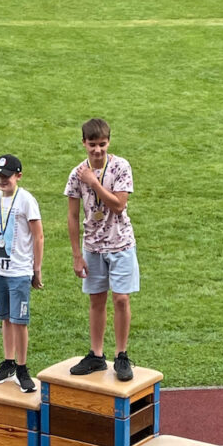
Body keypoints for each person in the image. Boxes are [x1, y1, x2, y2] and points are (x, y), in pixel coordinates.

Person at [64, 117, 138, 382]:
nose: (97, 150)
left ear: (109, 142)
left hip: (121, 244)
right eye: (92, 144)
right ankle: (96, 355)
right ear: (83, 143)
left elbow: (119, 205)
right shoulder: (76, 174)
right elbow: (73, 216)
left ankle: (121, 355)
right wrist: (77, 255)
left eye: (102, 144)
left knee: (121, 299)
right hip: (93, 247)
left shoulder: (120, 167)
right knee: (96, 300)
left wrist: (94, 183)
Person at [0, 154, 43, 393]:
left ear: (18, 176)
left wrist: (36, 269)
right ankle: (8, 363)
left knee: (20, 321)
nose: (1, 180)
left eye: (6, 176)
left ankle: (22, 367)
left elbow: (38, 236)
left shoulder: (26, 200)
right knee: (6, 318)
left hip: (19, 271)